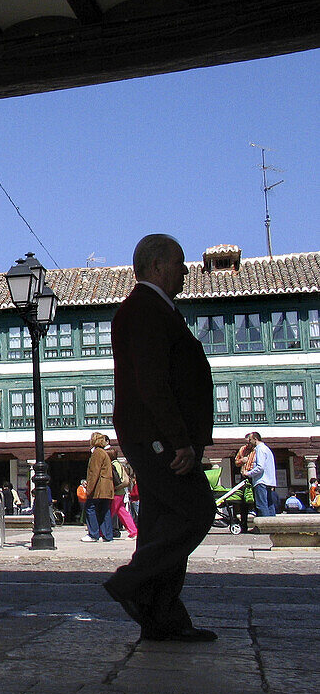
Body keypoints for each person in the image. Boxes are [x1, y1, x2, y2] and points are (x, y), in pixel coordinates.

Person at [104, 234, 217, 643]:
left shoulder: (154, 310)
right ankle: (131, 583)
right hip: (158, 436)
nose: (186, 271)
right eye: (179, 263)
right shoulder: (146, 310)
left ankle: (161, 617)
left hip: (156, 433)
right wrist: (178, 439)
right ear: (156, 267)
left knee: (160, 523)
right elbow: (153, 382)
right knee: (197, 510)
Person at [83, 432, 115, 542]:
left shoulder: (97, 453)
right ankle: (107, 535)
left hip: (99, 488)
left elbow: (94, 472)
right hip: (107, 488)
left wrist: (89, 489)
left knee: (90, 508)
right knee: (104, 510)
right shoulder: (104, 453)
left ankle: (93, 534)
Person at [242, 432, 277, 518]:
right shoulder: (267, 449)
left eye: (250, 440)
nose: (249, 442)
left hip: (261, 481)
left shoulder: (260, 449)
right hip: (268, 480)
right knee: (269, 504)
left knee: (262, 505)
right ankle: (272, 525)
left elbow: (260, 467)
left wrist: (248, 473)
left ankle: (264, 527)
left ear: (255, 439)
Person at [110, 453, 139, 540]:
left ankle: (101, 531)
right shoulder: (118, 464)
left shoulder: (114, 464)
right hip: (121, 492)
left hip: (117, 491)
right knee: (122, 512)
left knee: (109, 513)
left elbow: (117, 479)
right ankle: (133, 531)